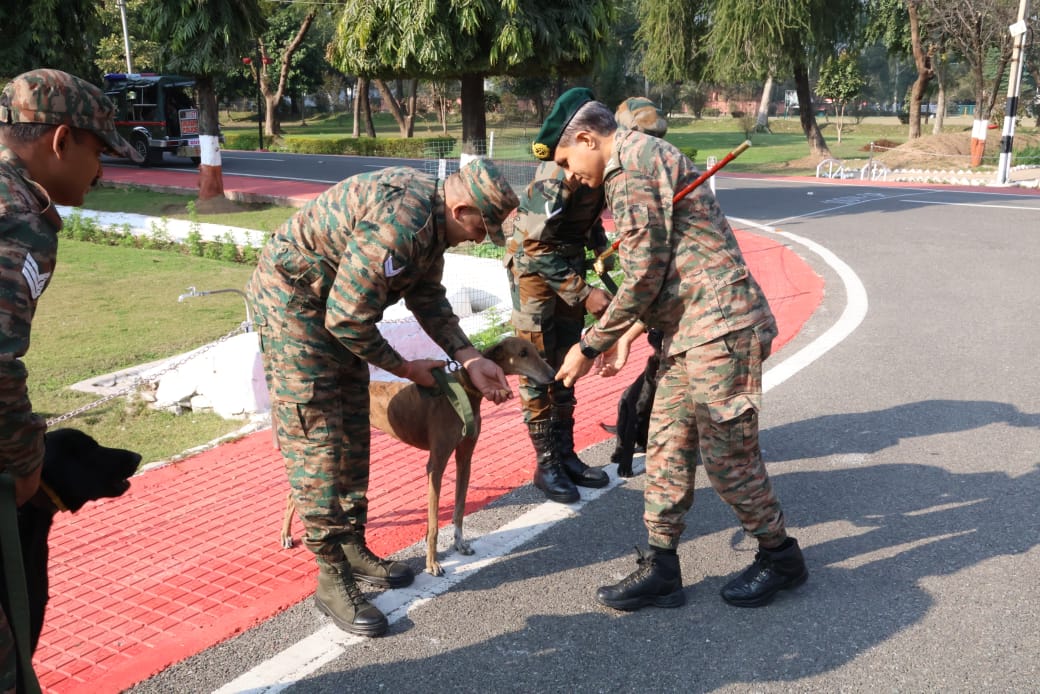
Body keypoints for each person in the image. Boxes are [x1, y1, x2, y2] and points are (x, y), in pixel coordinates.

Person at [539, 88, 808, 611]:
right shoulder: (639, 155)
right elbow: (659, 270)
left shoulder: (628, 166)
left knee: (728, 456)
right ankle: (662, 567)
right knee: (666, 446)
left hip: (719, 329)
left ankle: (781, 556)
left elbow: (642, 276)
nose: (571, 176)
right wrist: (625, 335)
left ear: (588, 139)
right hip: (690, 331)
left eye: (569, 161)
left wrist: (590, 345)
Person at [246, 158, 519, 638]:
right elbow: (349, 318)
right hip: (294, 304)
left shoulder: (433, 223)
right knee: (322, 441)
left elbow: (428, 297)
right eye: (483, 227)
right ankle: (332, 577)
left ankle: (351, 545)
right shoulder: (405, 222)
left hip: (334, 307)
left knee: (353, 425)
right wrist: (406, 368)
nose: (482, 238)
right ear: (461, 208)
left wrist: (470, 357)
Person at [0, 68, 141, 694]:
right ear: (61, 140)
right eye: (98, 149)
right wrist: (26, 457)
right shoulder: (17, 219)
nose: (102, 170)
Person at [501, 93, 671, 504]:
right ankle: (546, 463)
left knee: (569, 361)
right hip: (535, 275)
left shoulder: (616, 164)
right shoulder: (559, 174)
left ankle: (565, 453)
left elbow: (587, 217)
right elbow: (533, 245)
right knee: (540, 366)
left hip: (569, 264)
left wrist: (599, 251)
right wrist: (585, 293)